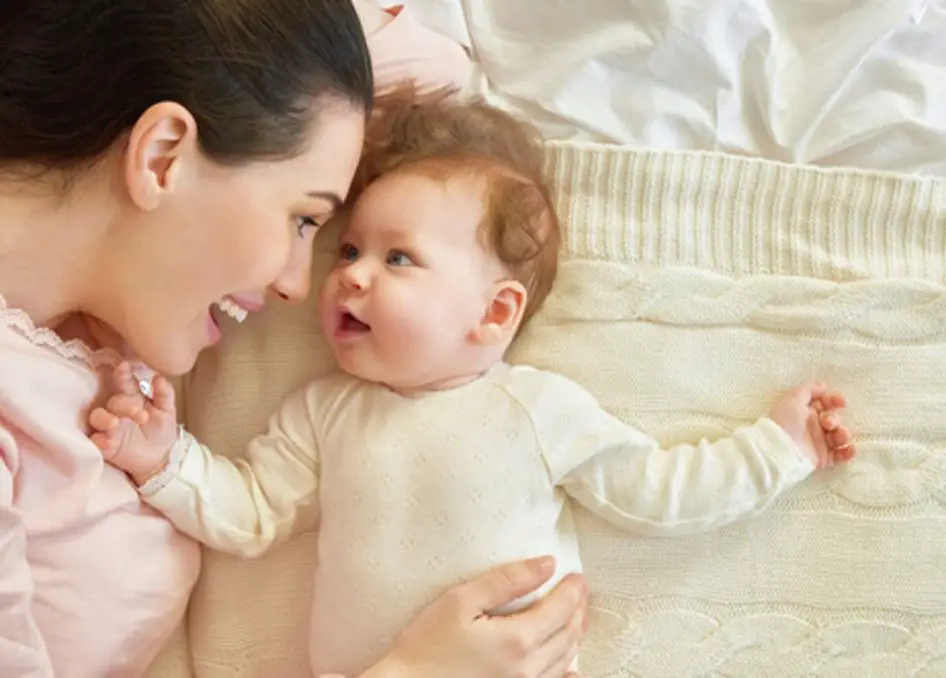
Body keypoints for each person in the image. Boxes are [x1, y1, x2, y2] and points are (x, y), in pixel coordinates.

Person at [89, 95, 857, 676]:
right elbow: (250, 512)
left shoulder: (534, 410)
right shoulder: (325, 413)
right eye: (350, 248)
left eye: (398, 259)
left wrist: (778, 447)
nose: (349, 273)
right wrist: (164, 460)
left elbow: (658, 489)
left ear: (492, 313)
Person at [0, 2, 585, 677]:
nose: (295, 288)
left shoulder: (97, 306)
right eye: (306, 219)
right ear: (162, 157)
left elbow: (435, 74)